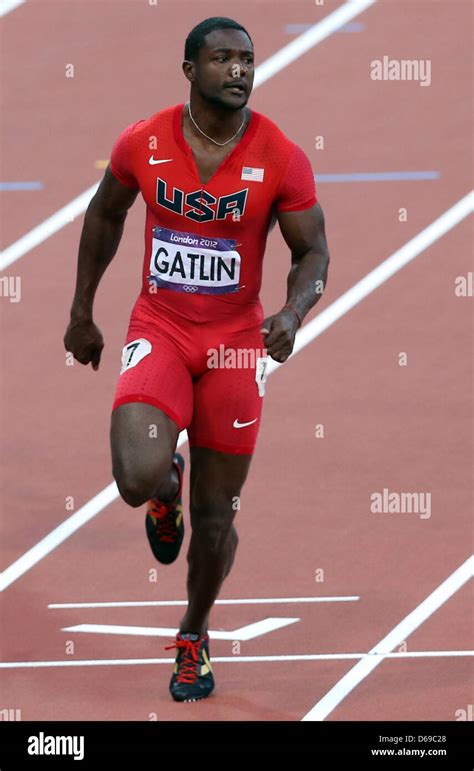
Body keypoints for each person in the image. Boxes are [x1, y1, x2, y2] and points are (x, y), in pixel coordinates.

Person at [64, 16, 330, 703]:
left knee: (216, 521)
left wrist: (293, 314)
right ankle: (162, 489)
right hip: (162, 326)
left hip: (236, 347)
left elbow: (314, 252)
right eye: (222, 59)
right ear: (190, 70)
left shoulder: (281, 154)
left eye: (247, 59)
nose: (239, 70)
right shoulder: (143, 142)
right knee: (133, 473)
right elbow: (104, 213)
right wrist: (82, 312)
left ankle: (194, 633)